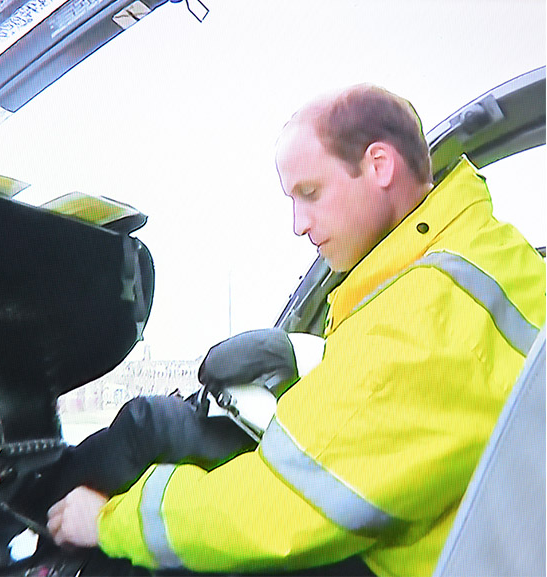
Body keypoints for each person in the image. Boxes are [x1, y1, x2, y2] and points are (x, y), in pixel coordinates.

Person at [42, 84, 546, 576]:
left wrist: (107, 522)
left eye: (310, 193)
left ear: (379, 166)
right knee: (155, 423)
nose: (298, 224)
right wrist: (302, 358)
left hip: (415, 559)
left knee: (154, 521)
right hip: (451, 529)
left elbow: (274, 513)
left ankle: (29, 529)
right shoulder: (485, 253)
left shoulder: (420, 314)